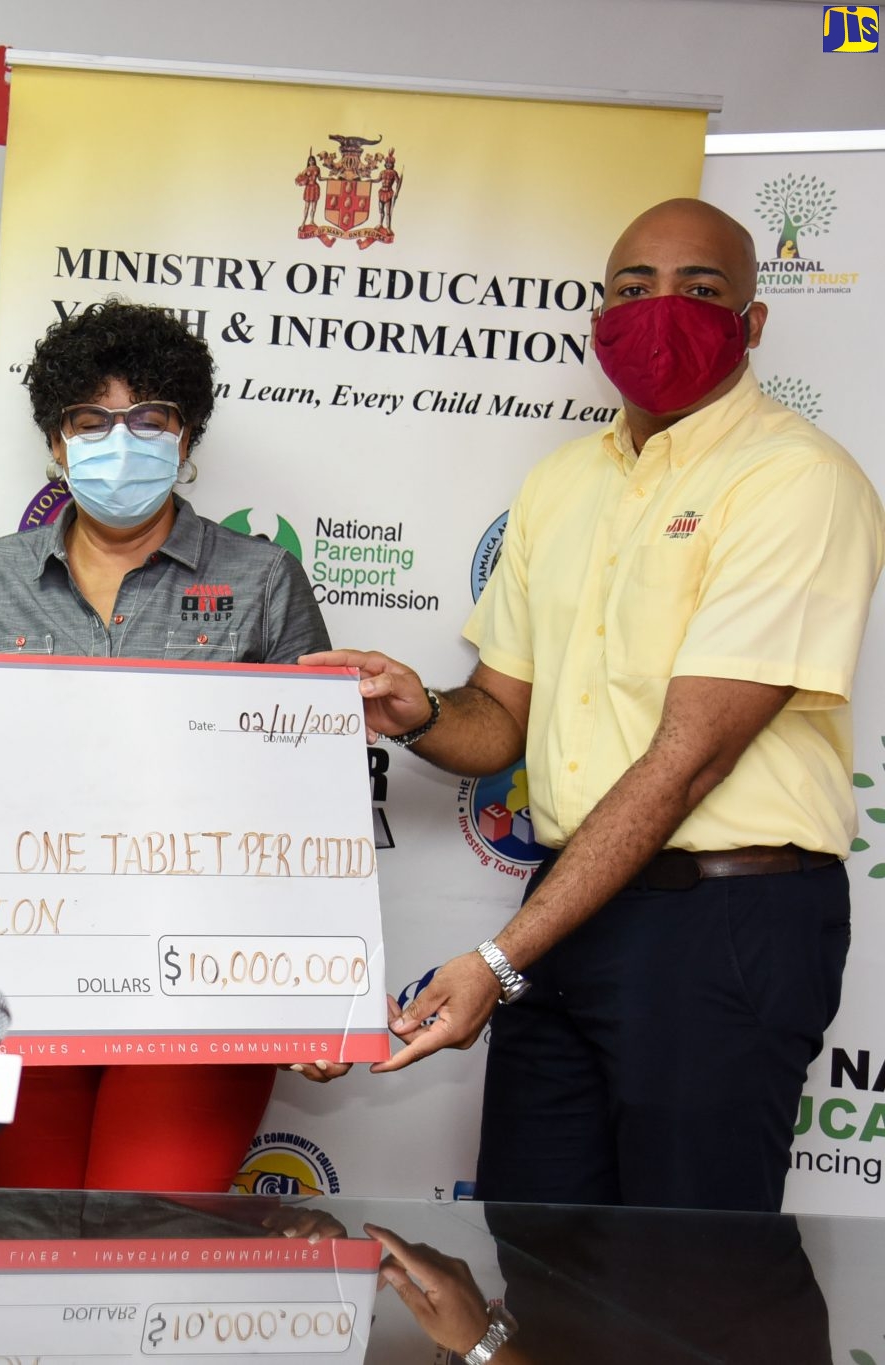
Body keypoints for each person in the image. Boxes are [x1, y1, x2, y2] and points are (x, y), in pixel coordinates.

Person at [309, 198, 885, 1212]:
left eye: (699, 289)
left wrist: (496, 958)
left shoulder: (795, 481)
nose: (660, 309)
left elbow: (688, 762)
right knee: (539, 1253)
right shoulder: (559, 484)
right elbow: (498, 717)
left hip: (721, 923)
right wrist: (417, 711)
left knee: (692, 1279)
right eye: (632, 288)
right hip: (568, 917)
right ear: (597, 318)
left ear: (750, 324)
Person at [0, 299, 341, 1194]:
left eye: (148, 418)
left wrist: (324, 987)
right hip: (19, 972)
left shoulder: (261, 579)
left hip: (202, 977)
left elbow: (319, 804)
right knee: (35, 1242)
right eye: (92, 421)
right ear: (54, 440)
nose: (122, 440)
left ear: (186, 437)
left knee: (140, 1241)